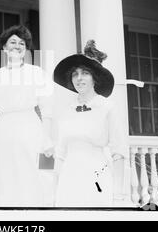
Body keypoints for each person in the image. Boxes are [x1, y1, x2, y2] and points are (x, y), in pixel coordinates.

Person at [0, 25, 54, 207]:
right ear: (4, 48)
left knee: (38, 177)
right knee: (6, 180)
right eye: (12, 42)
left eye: (22, 43)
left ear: (26, 49)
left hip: (30, 129)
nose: (17, 46)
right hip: (3, 132)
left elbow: (47, 111)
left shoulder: (36, 73)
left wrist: (46, 138)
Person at [52, 40, 128, 207]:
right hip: (68, 180)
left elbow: (119, 153)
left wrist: (118, 195)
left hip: (97, 178)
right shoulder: (66, 111)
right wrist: (53, 192)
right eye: (75, 74)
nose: (79, 78)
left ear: (95, 78)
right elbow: (60, 154)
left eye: (85, 73)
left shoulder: (107, 107)